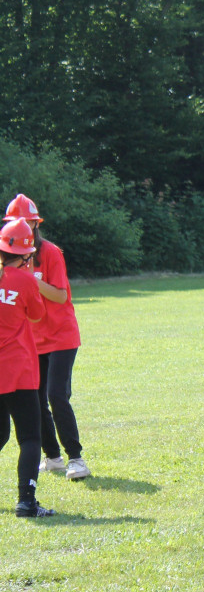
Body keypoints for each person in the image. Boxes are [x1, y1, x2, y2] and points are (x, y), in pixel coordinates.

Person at [3, 195, 89, 481]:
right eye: (16, 223)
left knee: (56, 395)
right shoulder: (10, 259)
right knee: (36, 400)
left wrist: (33, 281)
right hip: (33, 341)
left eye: (27, 222)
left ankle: (76, 458)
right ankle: (52, 457)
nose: (22, 227)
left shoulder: (50, 253)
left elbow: (61, 295)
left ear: (35, 225)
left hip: (62, 336)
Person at [0, 218, 56, 517]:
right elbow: (36, 316)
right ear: (25, 255)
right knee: (30, 437)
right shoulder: (24, 280)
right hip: (18, 369)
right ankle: (26, 501)